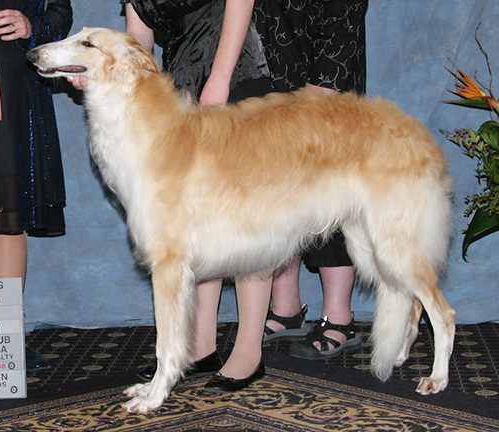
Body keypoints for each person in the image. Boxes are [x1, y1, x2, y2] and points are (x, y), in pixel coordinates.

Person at [116, 0, 275, 392]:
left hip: (235, 79)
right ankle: (200, 346)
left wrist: (219, 79)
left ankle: (248, 351)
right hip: (179, 94)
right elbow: (140, 40)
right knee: (198, 227)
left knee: (248, 223)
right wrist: (105, 74)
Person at [255, 0, 368, 360]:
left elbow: (343, 21)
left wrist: (322, 90)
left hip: (324, 86)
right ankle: (286, 308)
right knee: (275, 200)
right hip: (268, 86)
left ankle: (340, 316)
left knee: (330, 202)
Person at [0, 0, 73, 369]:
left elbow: (60, 14)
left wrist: (31, 26)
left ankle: (4, 339)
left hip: (17, 89)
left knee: (9, 219)